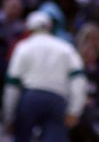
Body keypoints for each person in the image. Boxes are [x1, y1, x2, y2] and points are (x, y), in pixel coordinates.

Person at [2, 11, 87, 142]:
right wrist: (74, 111)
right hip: (57, 100)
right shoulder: (66, 48)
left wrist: (9, 117)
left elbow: (12, 84)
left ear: (28, 28)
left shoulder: (23, 47)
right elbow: (79, 80)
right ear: (50, 27)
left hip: (30, 99)